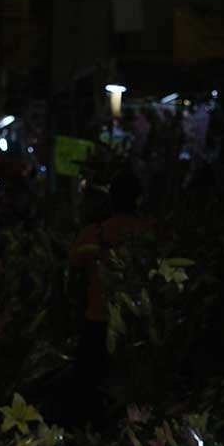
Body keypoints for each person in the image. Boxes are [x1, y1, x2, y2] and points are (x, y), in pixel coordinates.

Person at [66, 170, 151, 424]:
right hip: (139, 327)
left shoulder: (95, 233)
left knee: (90, 395)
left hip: (98, 323)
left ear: (111, 200)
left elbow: (72, 263)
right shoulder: (148, 231)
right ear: (138, 199)